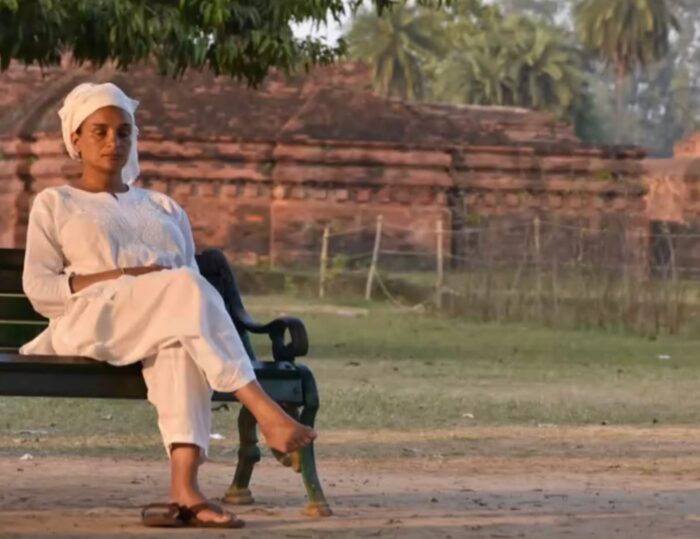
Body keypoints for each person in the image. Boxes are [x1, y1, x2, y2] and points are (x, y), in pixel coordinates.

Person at [20, 82, 317, 529]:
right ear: (75, 139)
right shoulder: (55, 203)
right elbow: (41, 289)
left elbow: (194, 293)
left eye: (124, 132)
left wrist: (162, 286)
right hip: (92, 320)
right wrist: (126, 276)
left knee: (182, 339)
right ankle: (265, 411)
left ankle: (186, 491)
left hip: (167, 314)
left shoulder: (163, 206)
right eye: (100, 131)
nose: (113, 141)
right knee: (182, 291)